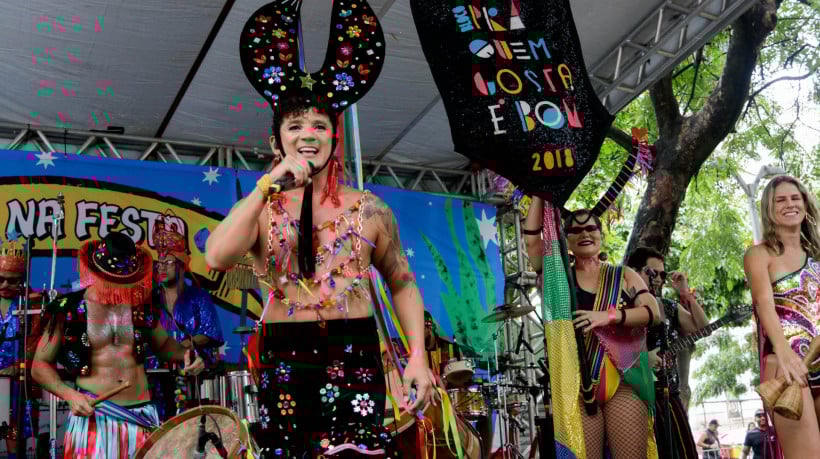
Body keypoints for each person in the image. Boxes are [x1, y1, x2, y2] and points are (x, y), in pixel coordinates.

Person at [31, 231, 203, 458]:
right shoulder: (69, 308)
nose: (120, 286)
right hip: (95, 418)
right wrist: (69, 394)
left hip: (141, 419)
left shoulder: (141, 307)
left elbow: (165, 347)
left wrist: (188, 356)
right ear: (96, 272)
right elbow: (39, 365)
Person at [524, 198, 660, 459]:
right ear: (567, 240)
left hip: (622, 381)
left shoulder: (623, 274)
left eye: (590, 229)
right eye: (575, 230)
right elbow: (531, 240)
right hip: (577, 384)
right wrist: (539, 193)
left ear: (601, 235)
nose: (584, 234)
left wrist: (607, 316)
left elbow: (653, 313)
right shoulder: (557, 276)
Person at [744, 174, 820, 456]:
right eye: (781, 200)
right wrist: (785, 352)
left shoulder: (817, 254)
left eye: (795, 198)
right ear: (769, 209)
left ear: (805, 204)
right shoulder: (759, 254)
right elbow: (764, 304)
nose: (790, 204)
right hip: (787, 366)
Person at [626, 247, 707, 459]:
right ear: (633, 272)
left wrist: (684, 293)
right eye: (651, 273)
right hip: (633, 398)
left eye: (662, 274)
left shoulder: (668, 306)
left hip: (668, 394)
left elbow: (702, 327)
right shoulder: (621, 307)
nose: (658, 279)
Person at [147, 212, 224, 420]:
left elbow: (210, 333)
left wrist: (182, 346)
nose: (161, 266)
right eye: (159, 262)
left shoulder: (198, 296)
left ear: (181, 265)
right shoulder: (150, 298)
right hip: (155, 378)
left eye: (168, 262)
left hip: (193, 375)